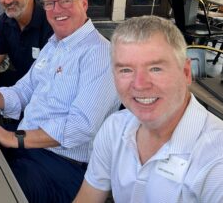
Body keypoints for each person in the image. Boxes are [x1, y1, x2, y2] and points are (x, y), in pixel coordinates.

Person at [0, 0, 120, 203]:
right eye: (50, 3)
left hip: (62, 166)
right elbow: (23, 90)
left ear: (84, 3)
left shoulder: (101, 54)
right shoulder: (55, 44)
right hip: (27, 148)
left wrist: (15, 137)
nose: (57, 9)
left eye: (65, 1)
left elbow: (80, 127)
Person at [75, 16, 223, 203]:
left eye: (155, 68)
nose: (140, 84)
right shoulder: (115, 128)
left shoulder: (216, 160)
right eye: (126, 70)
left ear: (186, 73)